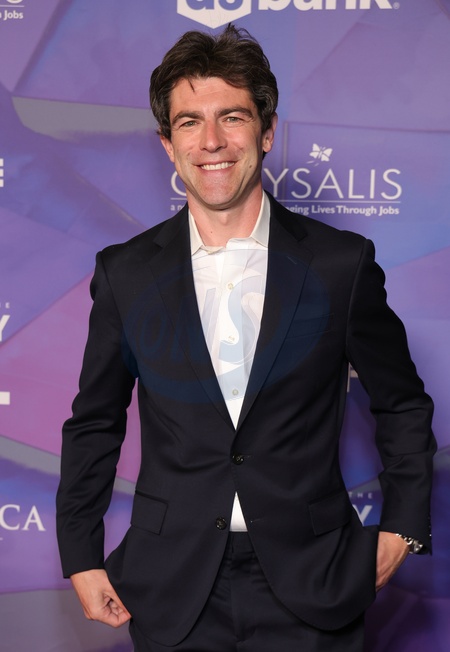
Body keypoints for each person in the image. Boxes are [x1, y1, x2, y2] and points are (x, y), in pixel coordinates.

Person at [56, 24, 436, 651]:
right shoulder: (125, 273)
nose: (211, 141)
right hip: (172, 584)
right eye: (189, 122)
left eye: (232, 117)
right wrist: (80, 554)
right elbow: (95, 422)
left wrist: (403, 529)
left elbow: (402, 404)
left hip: (315, 579)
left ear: (267, 131)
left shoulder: (340, 265)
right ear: (167, 144)